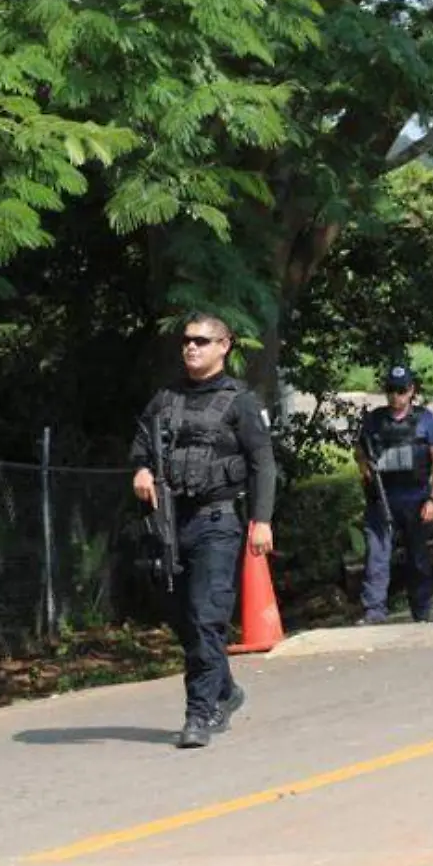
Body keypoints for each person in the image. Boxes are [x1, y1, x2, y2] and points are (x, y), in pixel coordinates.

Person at [129, 312, 276, 749]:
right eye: (187, 340)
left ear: (224, 346)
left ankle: (200, 712)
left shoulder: (240, 402)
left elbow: (262, 464)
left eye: (201, 340)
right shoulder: (165, 399)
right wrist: (140, 469)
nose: (191, 347)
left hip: (218, 520)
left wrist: (262, 520)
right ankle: (226, 691)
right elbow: (140, 443)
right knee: (185, 622)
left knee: (206, 615)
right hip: (171, 523)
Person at [355, 365, 433, 625]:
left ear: (411, 391)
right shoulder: (374, 420)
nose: (396, 396)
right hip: (382, 498)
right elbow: (360, 452)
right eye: (391, 391)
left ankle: (421, 612)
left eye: (401, 391)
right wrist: (365, 469)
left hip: (416, 498)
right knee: (376, 555)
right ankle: (374, 611)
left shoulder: (426, 419)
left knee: (417, 558)